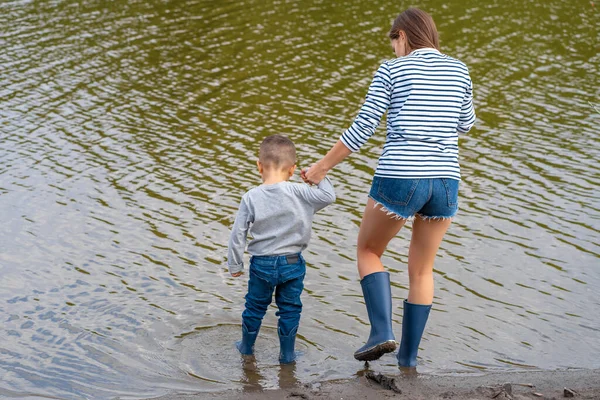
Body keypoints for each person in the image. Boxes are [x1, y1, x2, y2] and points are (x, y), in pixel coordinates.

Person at [302, 8, 475, 367]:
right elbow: (466, 124)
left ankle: (381, 332)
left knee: (368, 250)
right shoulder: (459, 69)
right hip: (445, 181)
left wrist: (321, 167)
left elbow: (363, 126)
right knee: (422, 270)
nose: (393, 48)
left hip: (402, 175)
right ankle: (408, 361)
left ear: (403, 35)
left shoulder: (392, 69)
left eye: (393, 40)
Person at [228, 134, 336, 364]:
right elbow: (329, 196)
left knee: (254, 307)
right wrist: (316, 176)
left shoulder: (250, 197)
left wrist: (235, 264)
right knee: (290, 309)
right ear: (292, 169)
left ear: (259, 166)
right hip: (292, 263)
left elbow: (238, 233)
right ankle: (287, 355)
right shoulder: (300, 192)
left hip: (262, 264)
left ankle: (246, 348)